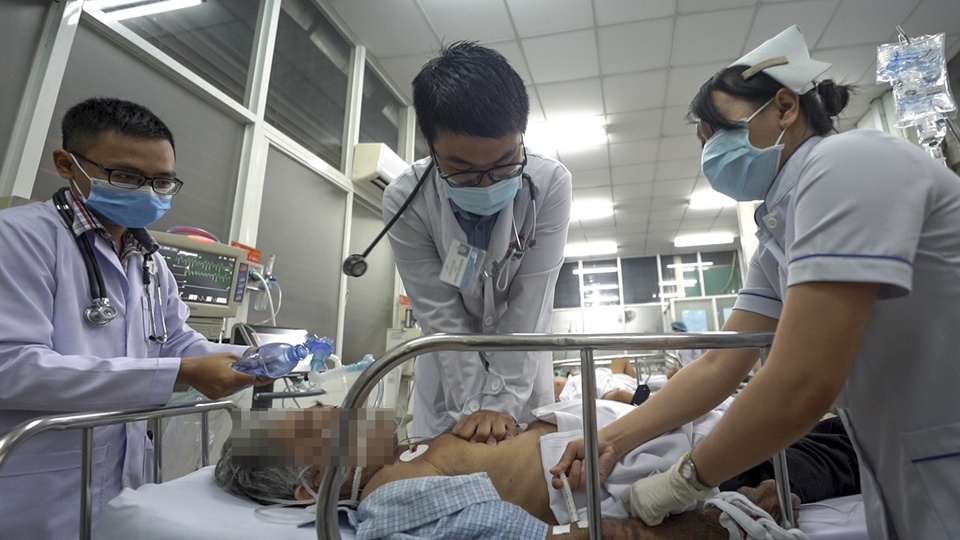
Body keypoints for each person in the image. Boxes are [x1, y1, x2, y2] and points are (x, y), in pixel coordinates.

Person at [551, 25, 960, 539]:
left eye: (717, 135)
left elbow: (803, 383)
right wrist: (612, 438)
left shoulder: (848, 164)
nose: (709, 155)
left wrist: (685, 480)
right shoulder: (777, 235)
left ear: (785, 107)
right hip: (902, 458)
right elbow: (720, 363)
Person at [0, 97, 266, 539]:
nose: (147, 193)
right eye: (126, 176)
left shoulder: (149, 260)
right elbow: (11, 368)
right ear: (67, 165)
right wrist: (181, 373)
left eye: (162, 182)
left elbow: (175, 340)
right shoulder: (17, 239)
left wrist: (246, 360)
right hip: (36, 485)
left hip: (123, 479)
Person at [214, 400, 860, 539]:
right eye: (315, 425)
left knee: (843, 432)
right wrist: (718, 525)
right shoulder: (390, 498)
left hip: (670, 443)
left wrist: (500, 419)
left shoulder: (410, 456)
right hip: (690, 480)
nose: (335, 407)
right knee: (848, 453)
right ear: (313, 487)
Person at [382, 41, 572, 445]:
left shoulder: (550, 183)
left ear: (521, 136)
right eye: (463, 170)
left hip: (522, 373)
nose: (486, 183)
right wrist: (475, 410)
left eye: (504, 164)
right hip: (449, 380)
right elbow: (439, 311)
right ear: (433, 150)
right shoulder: (405, 200)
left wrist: (502, 404)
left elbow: (531, 298)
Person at [555, 358, 641, 404]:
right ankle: (647, 402)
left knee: (620, 359)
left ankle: (635, 382)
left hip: (598, 380)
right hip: (592, 393)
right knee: (621, 394)